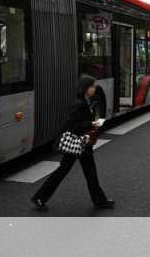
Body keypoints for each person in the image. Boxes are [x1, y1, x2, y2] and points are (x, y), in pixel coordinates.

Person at [31, 75, 115, 211]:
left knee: (84, 172)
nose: (95, 88)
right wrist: (91, 123)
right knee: (77, 172)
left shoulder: (85, 101)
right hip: (78, 142)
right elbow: (73, 125)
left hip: (82, 142)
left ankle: (99, 201)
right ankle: (40, 197)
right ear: (86, 88)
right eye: (92, 86)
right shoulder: (79, 103)